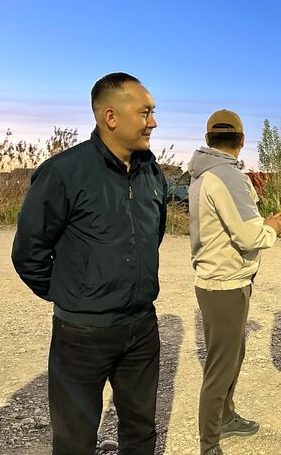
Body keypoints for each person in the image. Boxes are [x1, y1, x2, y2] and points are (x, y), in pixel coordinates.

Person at [11, 72, 167, 454]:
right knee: (75, 440)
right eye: (145, 112)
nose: (153, 122)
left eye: (153, 112)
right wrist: (74, 296)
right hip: (81, 335)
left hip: (141, 329)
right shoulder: (64, 172)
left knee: (141, 432)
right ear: (110, 117)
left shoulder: (152, 172)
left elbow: (153, 236)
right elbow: (29, 252)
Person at [188, 109, 281, 455]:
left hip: (216, 280)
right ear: (243, 140)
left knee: (231, 358)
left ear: (208, 139)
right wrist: (271, 229)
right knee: (221, 367)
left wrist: (264, 225)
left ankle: (226, 417)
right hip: (225, 284)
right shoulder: (228, 175)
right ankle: (209, 443)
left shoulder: (204, 173)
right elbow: (249, 237)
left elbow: (231, 225)